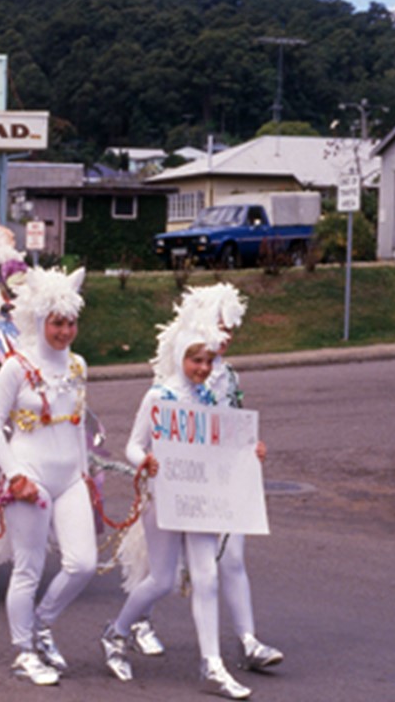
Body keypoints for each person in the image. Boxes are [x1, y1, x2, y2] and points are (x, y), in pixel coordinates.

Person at [114, 284, 285, 675]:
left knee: (228, 563)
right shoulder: (175, 378)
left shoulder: (222, 378)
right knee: (161, 573)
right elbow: (146, 437)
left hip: (219, 485)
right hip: (176, 486)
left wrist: (249, 450)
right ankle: (132, 624)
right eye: (218, 325)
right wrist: (151, 463)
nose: (225, 336)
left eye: (230, 329)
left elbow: (231, 429)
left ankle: (244, 642)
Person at [0, 267, 96, 686]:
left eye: (70, 323)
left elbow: (79, 423)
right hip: (30, 477)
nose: (65, 332)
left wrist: (84, 475)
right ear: (38, 321)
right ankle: (24, 650)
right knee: (28, 569)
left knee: (83, 563)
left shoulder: (79, 366)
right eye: (57, 323)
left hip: (70, 480)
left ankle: (42, 624)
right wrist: (15, 476)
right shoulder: (16, 367)